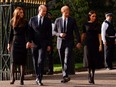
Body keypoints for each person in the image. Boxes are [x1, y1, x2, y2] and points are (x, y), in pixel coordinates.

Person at [54, 5, 81, 83]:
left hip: (69, 42)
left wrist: (78, 41)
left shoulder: (72, 20)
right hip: (60, 42)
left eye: (68, 11)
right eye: (66, 12)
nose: (68, 13)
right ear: (62, 12)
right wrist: (59, 34)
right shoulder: (57, 20)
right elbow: (54, 31)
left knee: (66, 58)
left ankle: (65, 75)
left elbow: (76, 31)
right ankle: (64, 75)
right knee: (62, 60)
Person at [28, 5, 52, 86]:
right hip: (34, 43)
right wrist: (29, 42)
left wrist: (49, 44)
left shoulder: (48, 21)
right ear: (39, 10)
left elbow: (49, 34)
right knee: (35, 61)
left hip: (43, 43)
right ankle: (37, 76)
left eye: (46, 11)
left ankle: (39, 78)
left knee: (40, 60)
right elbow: (29, 32)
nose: (45, 12)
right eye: (44, 11)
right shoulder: (32, 19)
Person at [7, 7, 30, 85]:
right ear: (17, 13)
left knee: (22, 62)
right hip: (14, 42)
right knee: (13, 61)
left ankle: (21, 79)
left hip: (23, 42)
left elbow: (27, 34)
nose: (22, 14)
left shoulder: (25, 22)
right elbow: (10, 34)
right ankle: (12, 78)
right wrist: (8, 44)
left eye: (23, 12)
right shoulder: (12, 21)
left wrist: (28, 42)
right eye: (20, 12)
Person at [81, 10, 103, 84]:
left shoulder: (97, 24)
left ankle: (93, 76)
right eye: (93, 16)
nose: (94, 17)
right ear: (89, 16)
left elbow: (99, 35)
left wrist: (100, 45)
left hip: (95, 44)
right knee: (88, 59)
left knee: (93, 60)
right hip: (87, 44)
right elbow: (83, 34)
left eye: (95, 16)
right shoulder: (85, 24)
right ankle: (89, 74)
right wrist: (80, 42)